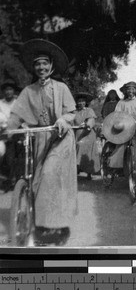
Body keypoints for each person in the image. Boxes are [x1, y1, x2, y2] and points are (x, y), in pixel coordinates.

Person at [0, 39, 77, 246]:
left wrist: (62, 119)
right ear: (34, 68)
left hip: (60, 138)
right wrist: (8, 131)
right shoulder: (28, 91)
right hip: (40, 139)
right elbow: (16, 115)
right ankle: (41, 225)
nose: (41, 67)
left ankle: (59, 226)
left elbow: (71, 113)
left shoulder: (61, 88)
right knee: (35, 181)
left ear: (51, 65)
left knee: (51, 174)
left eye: (45, 63)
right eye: (37, 64)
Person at [107, 81, 136, 186]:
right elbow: (116, 115)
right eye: (128, 90)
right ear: (125, 91)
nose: (130, 92)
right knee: (122, 150)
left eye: (132, 89)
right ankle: (120, 170)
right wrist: (119, 122)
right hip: (125, 130)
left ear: (135, 91)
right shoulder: (121, 103)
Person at [74, 92, 100, 179]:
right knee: (75, 147)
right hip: (77, 134)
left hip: (88, 133)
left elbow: (91, 120)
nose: (81, 103)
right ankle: (76, 169)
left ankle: (89, 172)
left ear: (85, 102)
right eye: (79, 101)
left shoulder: (89, 110)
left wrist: (88, 125)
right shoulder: (74, 112)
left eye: (83, 101)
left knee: (84, 147)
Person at [0, 80, 18, 188]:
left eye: (10, 89)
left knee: (12, 157)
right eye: (6, 90)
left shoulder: (18, 103)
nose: (8, 92)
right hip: (3, 133)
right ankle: (5, 177)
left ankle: (14, 178)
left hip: (16, 133)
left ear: (14, 91)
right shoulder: (0, 103)